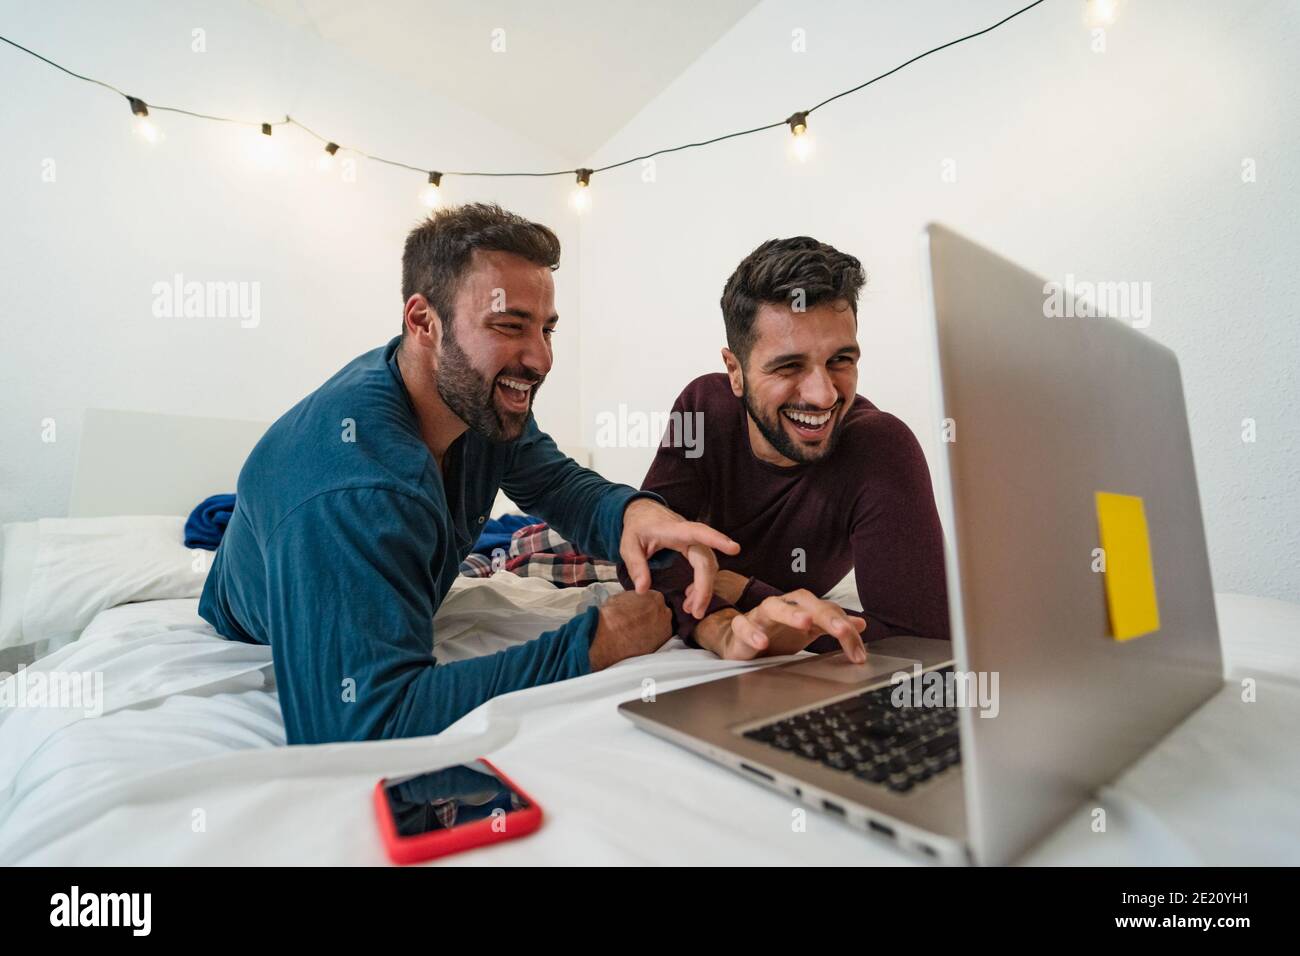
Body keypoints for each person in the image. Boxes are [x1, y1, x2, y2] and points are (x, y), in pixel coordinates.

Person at [199, 203, 738, 744]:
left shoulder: (476, 402)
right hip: (252, 617)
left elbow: (552, 480)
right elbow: (361, 721)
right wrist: (597, 642)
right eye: (508, 326)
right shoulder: (354, 484)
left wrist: (632, 513)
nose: (542, 359)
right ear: (422, 321)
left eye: (546, 329)